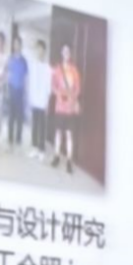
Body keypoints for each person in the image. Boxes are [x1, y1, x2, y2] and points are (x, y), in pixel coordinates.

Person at [49, 42, 82, 176]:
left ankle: (69, 160)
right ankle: (56, 156)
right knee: (58, 132)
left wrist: (72, 98)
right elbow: (53, 86)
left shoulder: (74, 70)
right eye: (64, 51)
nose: (66, 53)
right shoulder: (57, 69)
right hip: (59, 106)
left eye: (68, 51)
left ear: (70, 54)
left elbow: (78, 88)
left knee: (69, 134)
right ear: (61, 53)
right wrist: (59, 94)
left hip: (70, 108)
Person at [29, 38, 52, 160]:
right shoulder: (33, 65)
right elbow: (31, 82)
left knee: (42, 126)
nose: (38, 51)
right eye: (37, 49)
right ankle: (34, 147)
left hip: (42, 100)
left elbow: (49, 86)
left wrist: (47, 102)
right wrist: (30, 98)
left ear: (44, 50)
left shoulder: (48, 67)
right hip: (34, 99)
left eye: (40, 49)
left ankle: (41, 149)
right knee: (34, 124)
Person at [5, 34, 29, 150]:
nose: (16, 46)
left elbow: (26, 77)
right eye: (14, 44)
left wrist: (26, 93)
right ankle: (10, 138)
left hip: (20, 91)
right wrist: (6, 89)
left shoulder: (24, 61)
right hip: (11, 89)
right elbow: (7, 74)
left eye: (18, 44)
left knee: (19, 117)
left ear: (21, 46)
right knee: (11, 116)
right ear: (13, 45)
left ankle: (18, 138)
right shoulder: (10, 58)